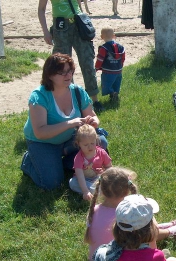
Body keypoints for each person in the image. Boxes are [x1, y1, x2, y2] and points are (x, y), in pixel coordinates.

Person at [20, 53, 108, 190]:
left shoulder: (77, 91)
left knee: (100, 141)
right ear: (49, 75)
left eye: (70, 71)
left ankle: (65, 161)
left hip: (69, 139)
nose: (68, 75)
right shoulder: (40, 96)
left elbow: (93, 116)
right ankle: (29, 162)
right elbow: (40, 132)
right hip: (43, 142)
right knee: (52, 183)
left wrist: (93, 122)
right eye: (62, 72)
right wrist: (71, 123)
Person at [84, 167, 176, 261]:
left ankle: (169, 226)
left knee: (143, 226)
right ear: (127, 190)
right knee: (148, 228)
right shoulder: (126, 215)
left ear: (102, 189)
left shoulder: (93, 210)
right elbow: (150, 237)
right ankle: (173, 230)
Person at [38, 0, 104, 112]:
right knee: (62, 66)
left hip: (78, 24)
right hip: (60, 27)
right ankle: (70, 100)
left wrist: (84, 22)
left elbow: (78, 4)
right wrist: (45, 32)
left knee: (87, 61)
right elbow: (41, 9)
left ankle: (94, 100)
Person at [69, 124, 112, 201]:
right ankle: (94, 192)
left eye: (92, 143)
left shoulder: (101, 152)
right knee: (72, 183)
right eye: (86, 145)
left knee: (109, 178)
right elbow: (80, 176)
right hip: (84, 180)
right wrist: (85, 191)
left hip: (97, 177)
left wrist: (103, 172)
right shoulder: (79, 158)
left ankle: (98, 190)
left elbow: (109, 167)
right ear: (78, 144)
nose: (90, 147)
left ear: (96, 139)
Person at [95, 27, 126, 102]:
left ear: (102, 37)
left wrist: (96, 68)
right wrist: (120, 65)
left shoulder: (104, 48)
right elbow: (123, 58)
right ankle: (115, 94)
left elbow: (100, 59)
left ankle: (112, 93)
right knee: (116, 83)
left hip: (108, 71)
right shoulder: (121, 47)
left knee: (106, 84)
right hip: (118, 70)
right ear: (113, 36)